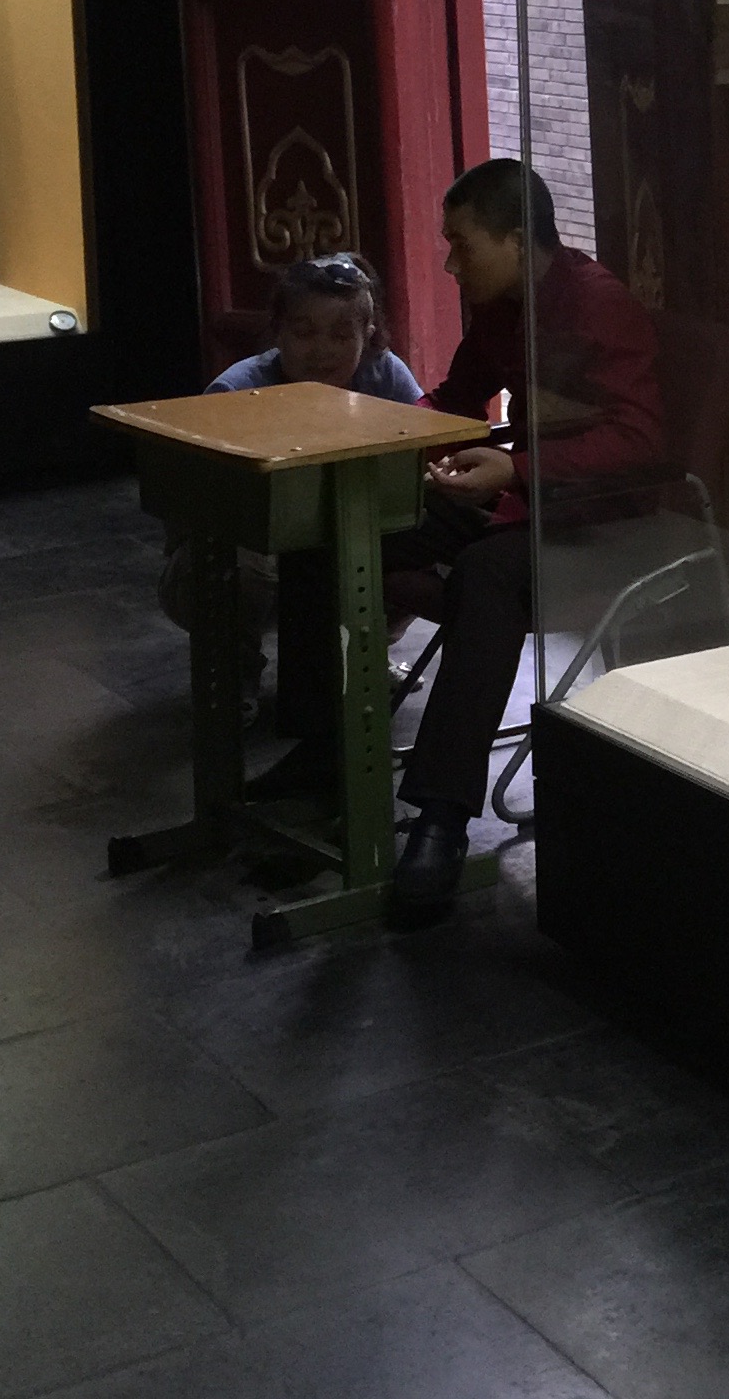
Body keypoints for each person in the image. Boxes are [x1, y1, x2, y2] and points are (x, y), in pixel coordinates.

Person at [382, 158, 664, 927]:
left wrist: (515, 468)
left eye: (462, 245)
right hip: (524, 501)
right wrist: (385, 436)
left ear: (515, 239)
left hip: (605, 524)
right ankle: (322, 748)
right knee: (362, 529)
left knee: (484, 574)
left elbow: (640, 443)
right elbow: (456, 399)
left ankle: (441, 819)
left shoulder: (599, 306)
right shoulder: (502, 306)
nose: (451, 264)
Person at [156, 254, 422, 734]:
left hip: (345, 542)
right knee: (247, 563)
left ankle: (364, 655)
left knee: (428, 539)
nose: (322, 350)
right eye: (304, 332)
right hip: (239, 555)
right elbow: (196, 509)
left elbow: (422, 456)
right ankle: (233, 671)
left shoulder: (385, 376)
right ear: (278, 331)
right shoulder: (236, 392)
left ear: (368, 335)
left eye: (341, 335)